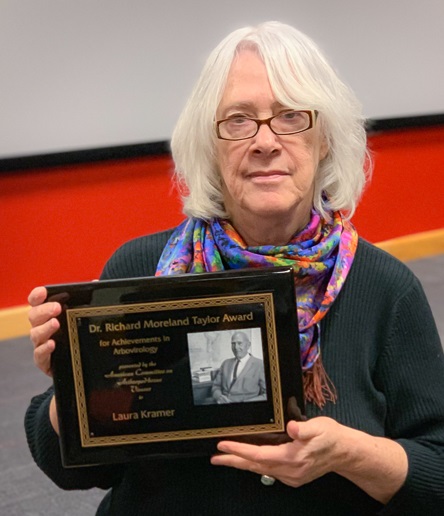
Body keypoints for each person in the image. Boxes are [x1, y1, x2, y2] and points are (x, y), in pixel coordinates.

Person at [25, 21, 444, 515]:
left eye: (291, 117)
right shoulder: (142, 270)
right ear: (211, 144)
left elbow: (436, 477)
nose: (265, 142)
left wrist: (352, 454)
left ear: (325, 138)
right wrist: (79, 385)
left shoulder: (384, 289)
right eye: (239, 120)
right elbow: (75, 470)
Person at [211, 331, 266, 403]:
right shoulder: (225, 363)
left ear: (248, 345)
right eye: (233, 344)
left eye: (239, 343)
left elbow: (266, 394)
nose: (236, 347)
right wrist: (219, 397)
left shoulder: (260, 365)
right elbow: (216, 386)